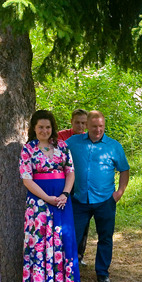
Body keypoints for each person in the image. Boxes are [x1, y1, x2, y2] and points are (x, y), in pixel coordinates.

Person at [20, 110, 81, 282]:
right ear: (34, 129)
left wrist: (65, 194)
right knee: (40, 241)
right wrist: (47, 198)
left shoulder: (62, 146)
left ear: (52, 128)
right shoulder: (28, 149)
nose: (44, 130)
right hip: (38, 203)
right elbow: (27, 179)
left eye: (48, 127)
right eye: (40, 127)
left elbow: (70, 172)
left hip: (62, 201)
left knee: (63, 239)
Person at [67, 111, 130, 282]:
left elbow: (124, 169)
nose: (98, 130)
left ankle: (102, 272)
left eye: (101, 126)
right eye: (94, 126)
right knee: (73, 236)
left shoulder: (113, 146)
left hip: (105, 200)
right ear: (87, 125)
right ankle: (70, 271)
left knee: (105, 237)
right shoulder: (72, 143)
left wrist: (120, 192)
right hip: (79, 199)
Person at [58, 108, 90, 262]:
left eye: (84, 123)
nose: (80, 126)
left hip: (82, 185)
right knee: (65, 218)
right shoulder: (61, 137)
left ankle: (79, 253)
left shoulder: (89, 137)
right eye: (77, 122)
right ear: (71, 122)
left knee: (83, 219)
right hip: (63, 184)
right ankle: (63, 251)